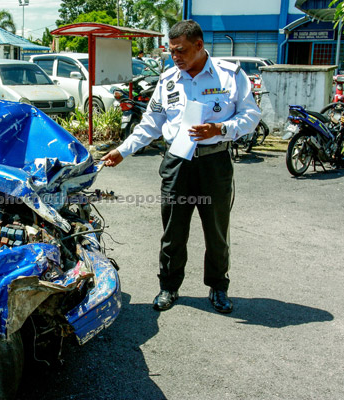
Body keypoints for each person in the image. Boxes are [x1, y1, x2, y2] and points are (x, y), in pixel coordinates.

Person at [101, 20, 260, 314]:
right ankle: (169, 287)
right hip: (177, 162)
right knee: (173, 230)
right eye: (172, 51)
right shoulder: (169, 80)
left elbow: (251, 115)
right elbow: (151, 125)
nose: (176, 57)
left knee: (216, 231)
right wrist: (123, 150)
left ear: (199, 45)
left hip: (214, 162)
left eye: (181, 51)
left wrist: (221, 129)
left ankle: (218, 287)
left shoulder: (230, 75)